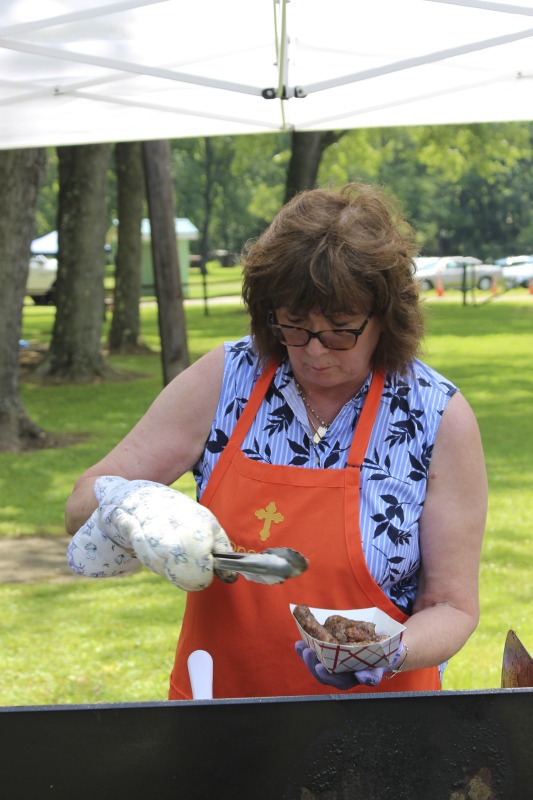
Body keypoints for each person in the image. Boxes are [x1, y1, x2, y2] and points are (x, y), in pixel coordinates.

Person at [65, 182, 487, 700]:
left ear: (386, 318)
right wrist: (132, 506)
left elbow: (453, 606)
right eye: (293, 325)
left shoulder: (434, 414)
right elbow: (82, 503)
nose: (313, 351)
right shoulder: (227, 379)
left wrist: (388, 652)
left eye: (339, 330)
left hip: (385, 725)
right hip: (224, 714)